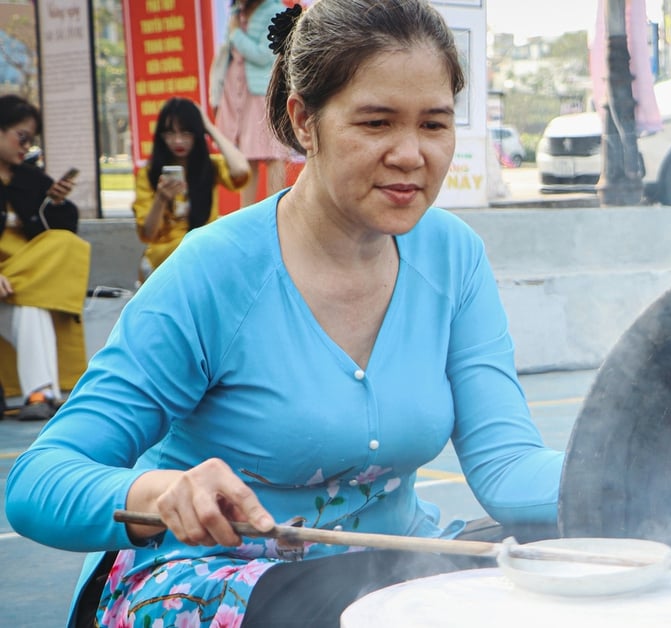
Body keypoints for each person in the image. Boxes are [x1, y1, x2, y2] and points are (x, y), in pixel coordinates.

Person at [5, 1, 563, 626]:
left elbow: (510, 469)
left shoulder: (455, 257)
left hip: (390, 574)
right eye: (376, 123)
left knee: (570, 558)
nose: (411, 154)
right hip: (217, 582)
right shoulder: (214, 271)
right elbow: (36, 483)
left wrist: (648, 458)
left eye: (434, 125)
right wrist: (159, 494)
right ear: (304, 120)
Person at [0, 95, 91, 421]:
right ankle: (44, 392)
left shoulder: (32, 180)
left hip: (19, 284)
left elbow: (55, 236)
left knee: (62, 248)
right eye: (20, 137)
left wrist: (53, 205)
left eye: (31, 140)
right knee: (32, 300)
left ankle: (40, 394)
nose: (26, 147)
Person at [133, 97, 250, 276]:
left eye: (186, 133)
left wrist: (209, 127)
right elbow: (148, 235)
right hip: (165, 260)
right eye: (170, 133)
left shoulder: (211, 167)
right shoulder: (149, 175)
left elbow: (241, 170)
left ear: (197, 133)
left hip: (205, 252)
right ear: (161, 136)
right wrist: (161, 199)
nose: (178, 141)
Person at [211, 0, 290, 207]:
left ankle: (278, 211)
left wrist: (236, 33)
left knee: (274, 153)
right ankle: (246, 213)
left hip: (263, 93)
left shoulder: (275, 10)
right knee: (247, 156)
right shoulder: (238, 13)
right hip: (238, 94)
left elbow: (264, 55)